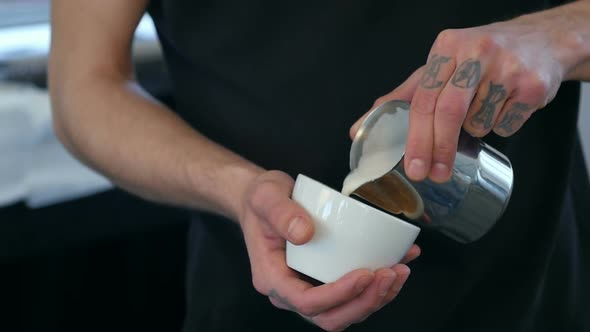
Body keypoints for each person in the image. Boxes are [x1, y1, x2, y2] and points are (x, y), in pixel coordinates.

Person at [48, 0, 589, 331]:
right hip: (251, 299)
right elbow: (84, 87)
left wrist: (560, 34)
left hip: (531, 294)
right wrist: (238, 190)